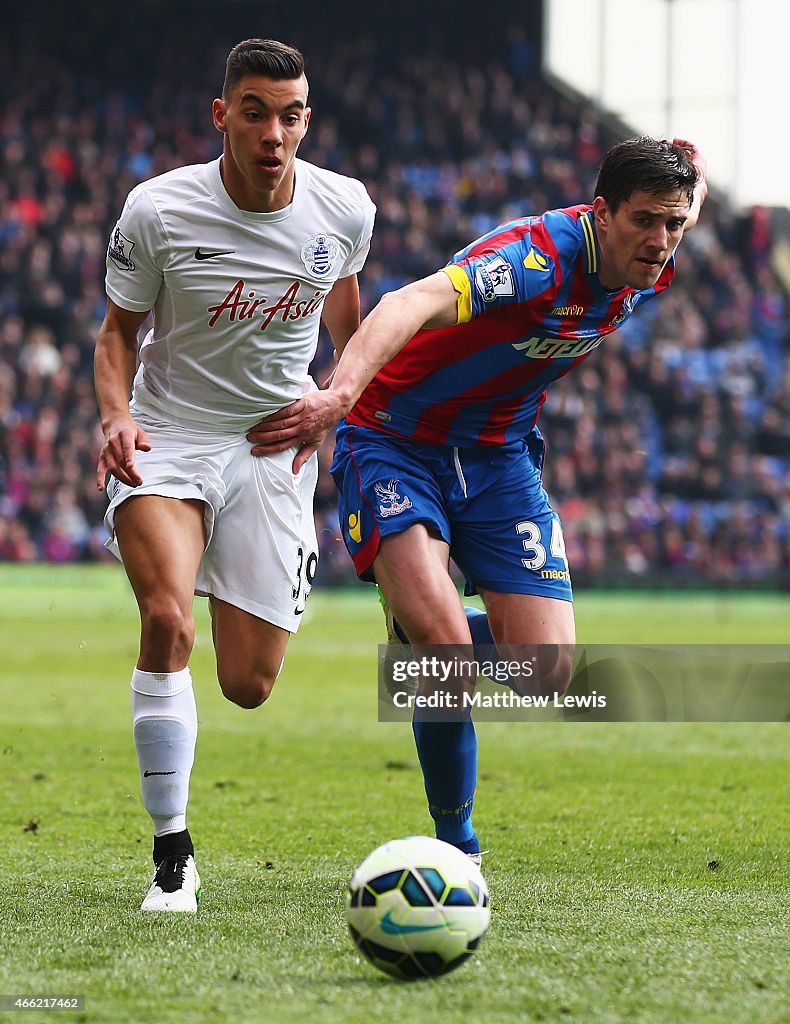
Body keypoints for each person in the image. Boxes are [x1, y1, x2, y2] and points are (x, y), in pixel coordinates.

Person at [247, 136, 707, 861]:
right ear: (601, 212)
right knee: (444, 656)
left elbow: (683, 200)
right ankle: (458, 846)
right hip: (393, 438)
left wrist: (690, 173)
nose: (661, 240)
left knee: (547, 671)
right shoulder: (534, 259)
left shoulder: (652, 254)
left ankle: (421, 626)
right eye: (646, 220)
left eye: (674, 224)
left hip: (497, 456)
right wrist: (339, 394)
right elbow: (410, 301)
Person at [94, 38, 375, 911]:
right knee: (168, 620)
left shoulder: (344, 209)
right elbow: (116, 335)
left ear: (306, 122)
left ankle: (227, 563)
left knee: (248, 685)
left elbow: (348, 323)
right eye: (254, 111)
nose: (273, 132)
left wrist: (334, 404)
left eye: (290, 115)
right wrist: (115, 413)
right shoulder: (159, 210)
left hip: (271, 449)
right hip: (171, 436)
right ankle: (171, 858)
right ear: (223, 115)